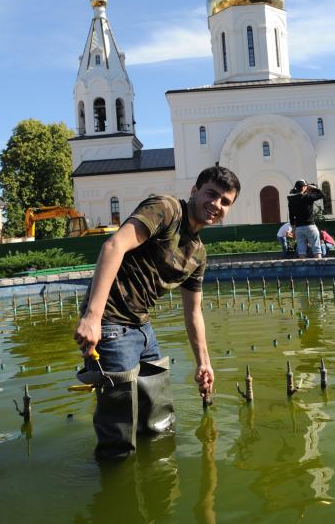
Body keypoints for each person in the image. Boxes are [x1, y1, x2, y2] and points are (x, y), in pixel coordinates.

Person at [74, 165, 241, 460]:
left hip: (141, 326)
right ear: (194, 191)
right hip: (111, 322)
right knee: (119, 431)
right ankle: (116, 491)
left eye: (225, 201)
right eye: (211, 194)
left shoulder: (198, 254)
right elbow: (113, 246)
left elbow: (194, 313)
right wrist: (92, 317)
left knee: (159, 418)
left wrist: (204, 364)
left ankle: (157, 483)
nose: (216, 205)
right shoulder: (166, 210)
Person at [288, 179, 324, 259]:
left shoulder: (291, 200)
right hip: (310, 226)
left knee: (301, 252)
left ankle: (303, 270)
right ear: (304, 187)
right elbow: (322, 194)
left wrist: (293, 229)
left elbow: (291, 216)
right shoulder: (308, 197)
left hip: (298, 228)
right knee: (317, 251)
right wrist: (312, 188)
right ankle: (319, 270)